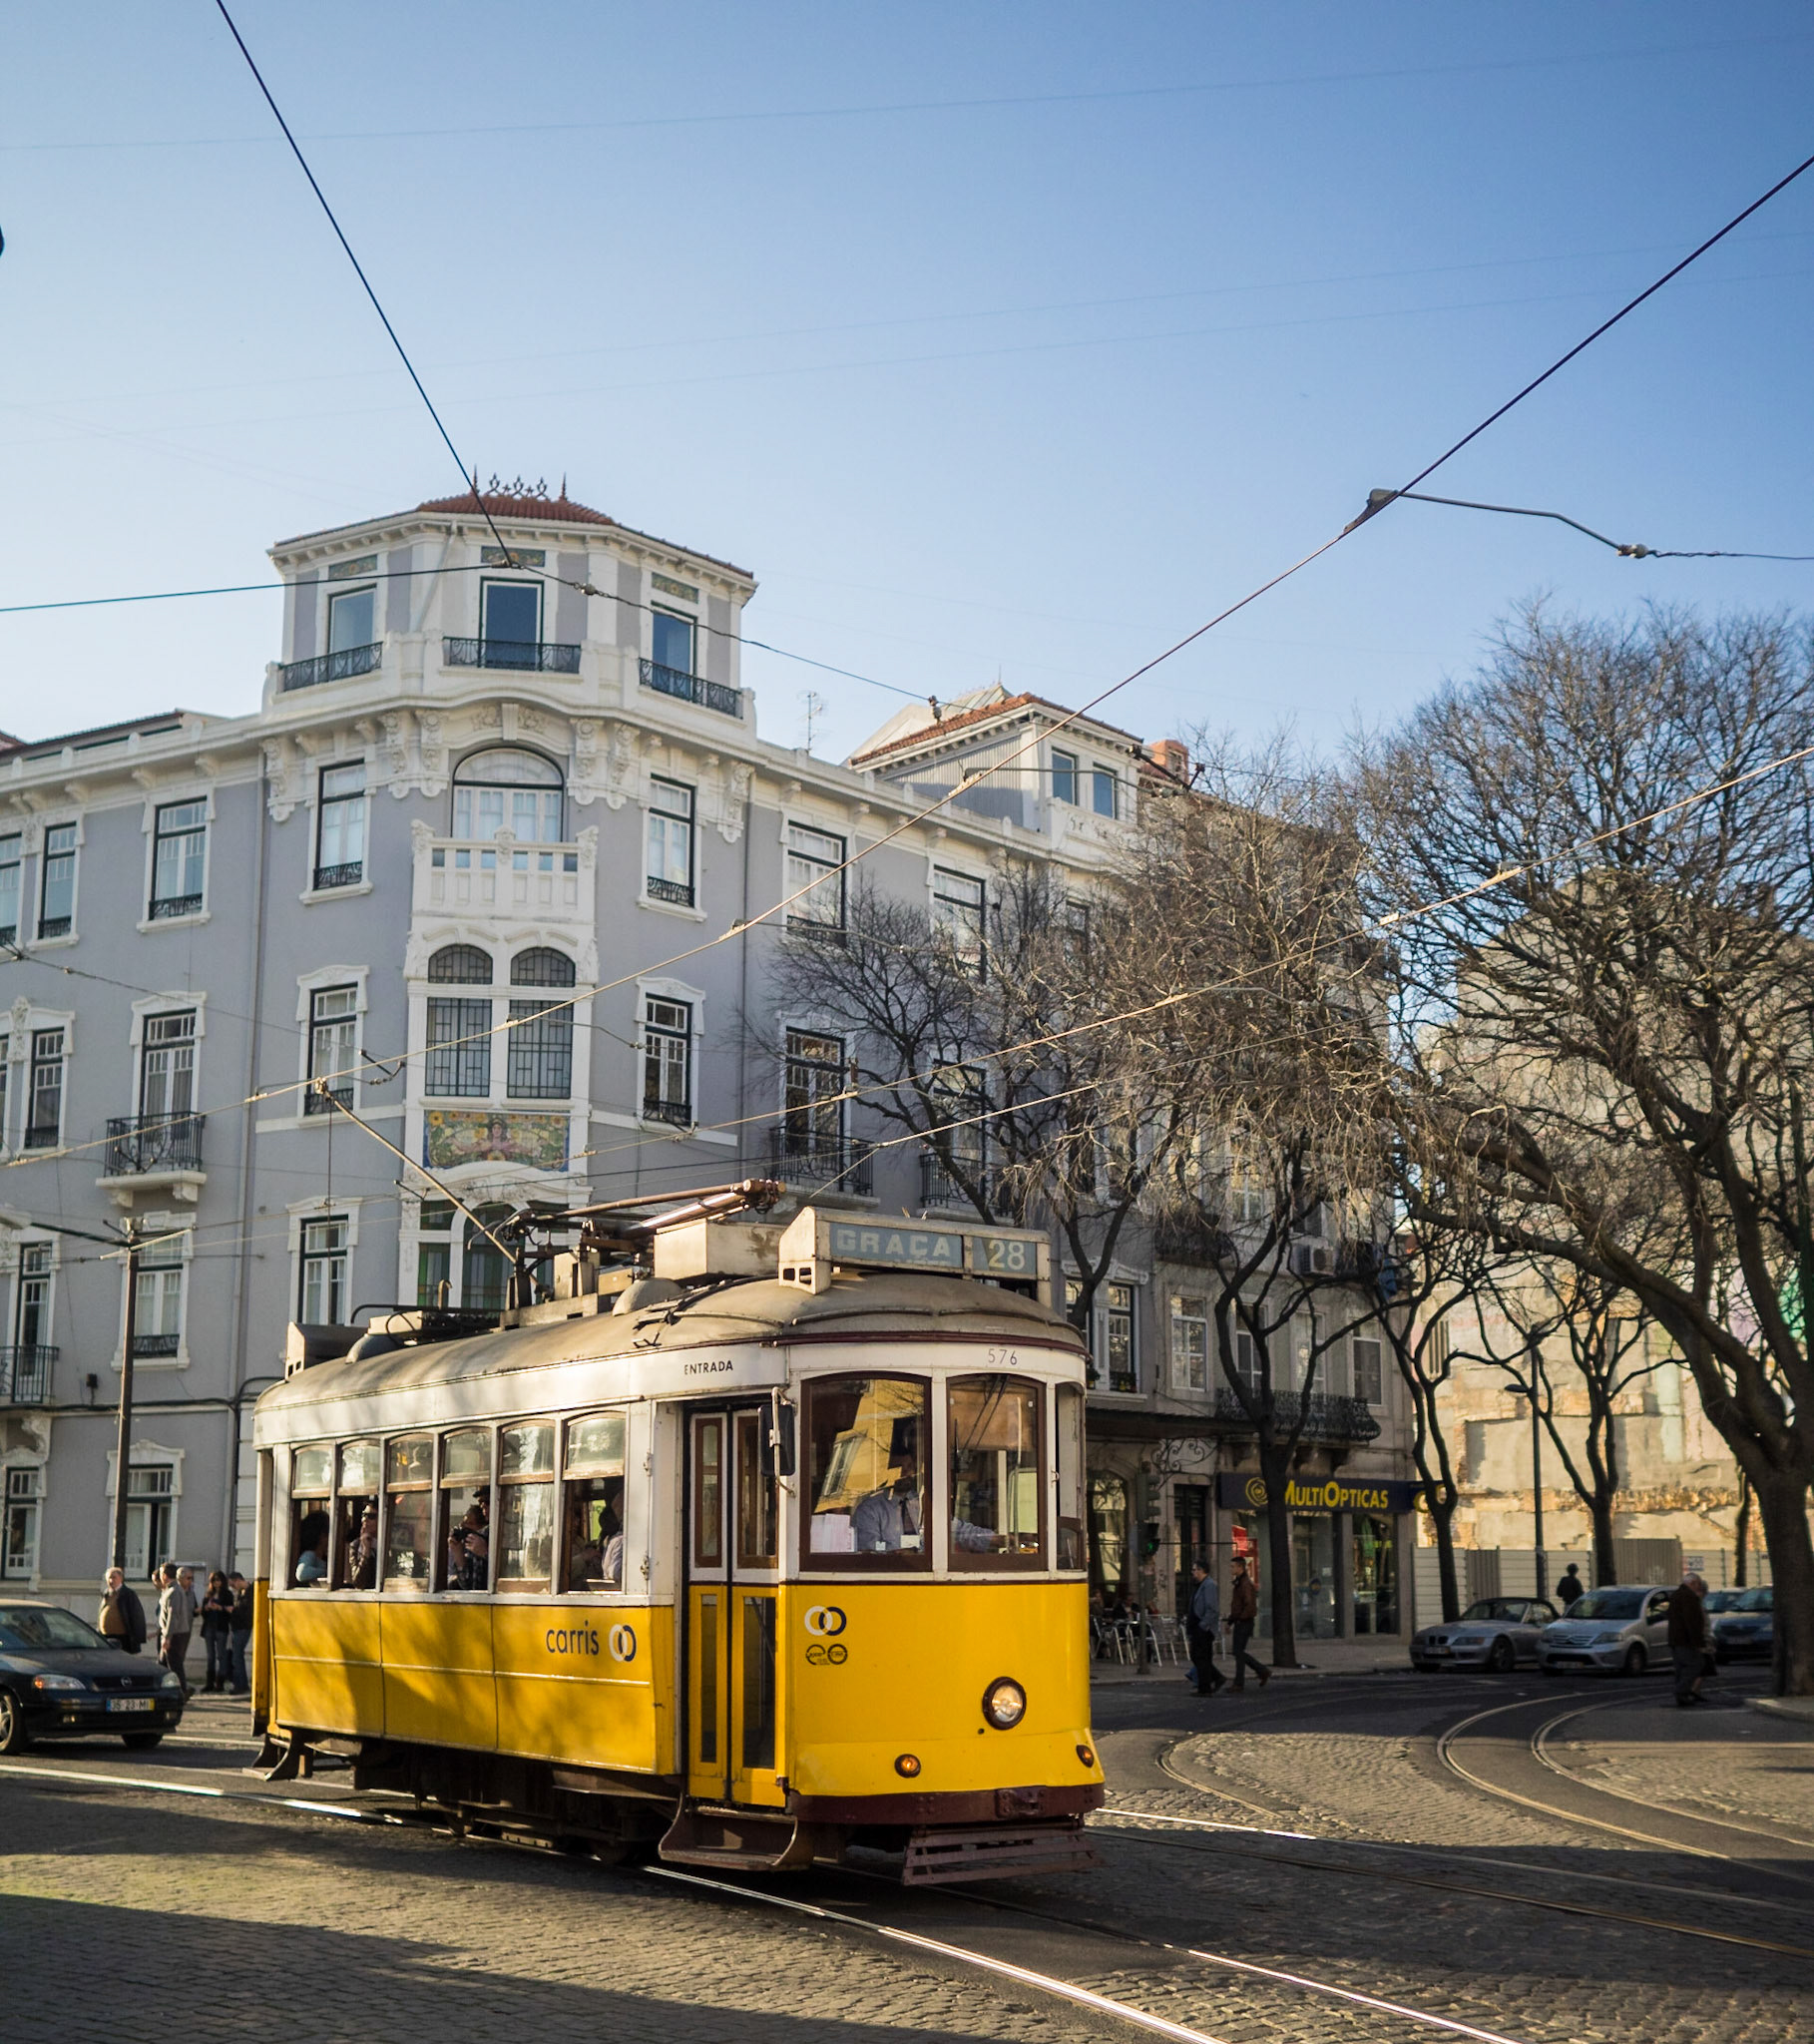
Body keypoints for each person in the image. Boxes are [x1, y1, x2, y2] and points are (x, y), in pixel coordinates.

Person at [1225, 1555, 1270, 1690]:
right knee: (1238, 1652)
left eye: (1233, 1566)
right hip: (1241, 1621)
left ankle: (1258, 1672)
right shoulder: (1240, 1583)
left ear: (1240, 1567)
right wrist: (1231, 1621)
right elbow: (1237, 1606)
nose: (1231, 1569)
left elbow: (1249, 1605)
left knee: (1238, 1652)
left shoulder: (1244, 1584)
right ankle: (1257, 1673)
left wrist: (1239, 1619)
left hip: (1244, 1622)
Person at [1668, 1573, 1710, 1706]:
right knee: (1695, 1664)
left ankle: (1682, 1695)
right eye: (1698, 1584)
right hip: (1686, 1640)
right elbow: (1692, 1621)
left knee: (1681, 1667)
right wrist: (1698, 1641)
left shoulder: (1676, 1595)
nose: (1699, 1587)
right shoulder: (1689, 1597)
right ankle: (1681, 1691)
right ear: (1692, 1583)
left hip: (1675, 1639)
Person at [1185, 1561, 1225, 1696]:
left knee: (1201, 1657)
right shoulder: (1199, 1585)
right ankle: (1215, 1679)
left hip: (1203, 1628)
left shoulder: (1209, 1585)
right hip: (1197, 1627)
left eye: (1194, 1570)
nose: (1192, 1572)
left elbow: (1212, 1609)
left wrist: (1203, 1626)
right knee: (1198, 1657)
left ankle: (1205, 1688)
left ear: (1201, 1570)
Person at [159, 1564, 198, 1697]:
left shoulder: (174, 1591)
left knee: (174, 1665)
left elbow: (173, 1615)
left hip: (175, 1634)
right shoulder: (172, 1590)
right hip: (174, 1632)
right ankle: (163, 1691)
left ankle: (182, 1691)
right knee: (163, 1664)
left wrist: (168, 1637)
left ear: (164, 1575)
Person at [98, 1567, 147, 1655]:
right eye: (109, 1578)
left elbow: (136, 1616)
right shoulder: (106, 1594)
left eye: (114, 1577)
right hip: (106, 1636)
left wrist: (137, 1638)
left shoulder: (128, 1594)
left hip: (122, 1638)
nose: (111, 1581)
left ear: (120, 1578)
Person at [199, 1570, 233, 1693]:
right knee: (210, 1656)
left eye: (218, 1580)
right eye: (214, 1580)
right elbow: (203, 1612)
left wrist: (220, 1608)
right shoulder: (209, 1594)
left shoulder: (227, 1594)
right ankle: (209, 1683)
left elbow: (230, 1611)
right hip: (209, 1626)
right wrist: (206, 1608)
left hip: (221, 1628)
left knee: (221, 1655)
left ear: (222, 1581)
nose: (216, 1583)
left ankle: (220, 1682)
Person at [227, 1571, 253, 1694]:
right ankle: (241, 1684)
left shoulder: (250, 1592)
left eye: (233, 1585)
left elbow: (247, 1612)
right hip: (238, 1627)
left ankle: (240, 1685)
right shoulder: (241, 1592)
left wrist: (234, 1610)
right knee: (237, 1656)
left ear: (238, 1580)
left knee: (237, 1657)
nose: (233, 1588)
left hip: (243, 1627)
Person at [294, 1510, 330, 1586]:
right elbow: (302, 1574)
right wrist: (326, 1572)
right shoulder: (309, 1554)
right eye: (327, 1535)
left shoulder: (322, 1557)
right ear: (321, 1536)